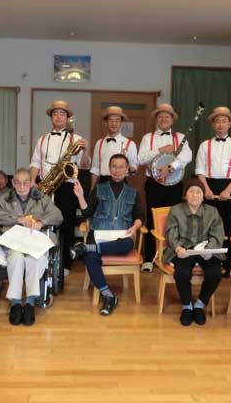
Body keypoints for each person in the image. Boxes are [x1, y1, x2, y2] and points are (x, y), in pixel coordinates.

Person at [0, 168, 63, 326]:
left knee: (35, 259)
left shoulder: (42, 198)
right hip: (14, 241)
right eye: (18, 183)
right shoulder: (4, 199)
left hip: (35, 241)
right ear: (13, 183)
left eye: (25, 183)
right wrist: (17, 219)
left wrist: (42, 222)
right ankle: (15, 303)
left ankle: (29, 303)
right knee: (16, 258)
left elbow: (58, 216)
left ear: (31, 183)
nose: (22, 187)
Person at [70, 154, 144, 316]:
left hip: (121, 236)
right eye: (114, 166)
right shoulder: (98, 188)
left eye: (121, 167)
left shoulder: (133, 192)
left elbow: (140, 216)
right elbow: (87, 212)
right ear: (109, 169)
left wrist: (135, 227)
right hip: (98, 233)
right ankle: (108, 295)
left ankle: (86, 248)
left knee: (127, 244)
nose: (117, 170)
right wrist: (80, 196)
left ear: (127, 169)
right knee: (91, 257)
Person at [30, 100, 89, 274]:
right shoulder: (42, 139)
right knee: (42, 223)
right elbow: (35, 162)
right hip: (45, 185)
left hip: (66, 186)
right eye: (55, 113)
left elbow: (84, 165)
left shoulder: (76, 139)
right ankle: (42, 261)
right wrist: (33, 181)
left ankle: (65, 265)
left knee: (66, 224)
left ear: (67, 118)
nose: (58, 116)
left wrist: (85, 151)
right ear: (51, 117)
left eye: (62, 114)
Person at [139, 103, 192, 272]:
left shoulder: (180, 137)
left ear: (172, 120)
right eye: (160, 116)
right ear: (156, 119)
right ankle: (149, 258)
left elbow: (187, 156)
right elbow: (141, 159)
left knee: (174, 219)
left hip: (174, 185)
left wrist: (169, 168)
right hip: (153, 184)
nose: (163, 119)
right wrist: (160, 150)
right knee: (152, 218)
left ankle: (171, 256)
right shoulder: (148, 138)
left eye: (167, 116)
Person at [164, 179, 224, 326]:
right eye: (191, 191)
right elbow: (171, 232)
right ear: (185, 195)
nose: (195, 195)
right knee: (182, 272)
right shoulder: (175, 210)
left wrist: (210, 248)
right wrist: (177, 248)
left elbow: (217, 233)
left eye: (198, 192)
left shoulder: (212, 212)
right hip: (184, 249)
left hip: (205, 250)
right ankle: (187, 306)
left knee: (215, 273)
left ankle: (199, 304)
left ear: (203, 196)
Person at [195, 106, 231, 275]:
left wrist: (228, 190)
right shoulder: (204, 145)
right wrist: (206, 189)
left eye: (224, 121)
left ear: (229, 124)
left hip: (229, 187)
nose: (221, 124)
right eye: (217, 121)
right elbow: (200, 169)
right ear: (213, 124)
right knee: (206, 225)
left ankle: (226, 263)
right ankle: (206, 261)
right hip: (208, 186)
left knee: (226, 226)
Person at [89, 106, 138, 188]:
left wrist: (126, 160)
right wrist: (92, 189)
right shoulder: (99, 143)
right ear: (106, 123)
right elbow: (95, 169)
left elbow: (134, 171)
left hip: (121, 183)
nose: (114, 123)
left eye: (117, 120)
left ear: (121, 123)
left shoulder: (130, 144)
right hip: (102, 182)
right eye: (110, 120)